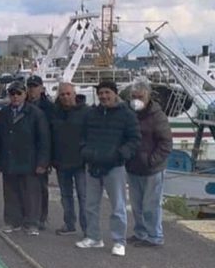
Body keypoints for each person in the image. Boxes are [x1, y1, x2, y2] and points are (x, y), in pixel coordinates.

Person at [77, 81, 141, 257]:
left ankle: (119, 241)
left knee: (118, 206)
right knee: (90, 204)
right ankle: (94, 237)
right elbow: (82, 136)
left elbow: (134, 139)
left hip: (115, 167)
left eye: (107, 92)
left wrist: (120, 154)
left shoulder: (127, 115)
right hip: (93, 164)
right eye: (101, 93)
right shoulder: (91, 114)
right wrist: (85, 151)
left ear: (115, 93)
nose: (104, 96)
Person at [0, 81, 50, 236]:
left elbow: (44, 140)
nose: (15, 97)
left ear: (25, 94)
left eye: (19, 93)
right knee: (10, 193)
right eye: (12, 94)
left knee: (31, 193)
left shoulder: (36, 114)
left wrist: (43, 162)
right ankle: (12, 221)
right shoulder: (2, 114)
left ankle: (32, 223)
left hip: (30, 160)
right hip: (8, 159)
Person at [126, 79, 171, 247]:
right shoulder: (130, 114)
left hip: (152, 169)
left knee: (151, 205)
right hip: (133, 167)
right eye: (134, 96)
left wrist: (151, 161)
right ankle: (140, 232)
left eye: (140, 96)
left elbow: (166, 143)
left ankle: (155, 236)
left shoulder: (157, 116)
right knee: (136, 205)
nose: (136, 100)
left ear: (148, 97)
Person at [50, 82, 89, 236]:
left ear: (74, 94)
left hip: (81, 161)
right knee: (65, 195)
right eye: (62, 94)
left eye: (68, 94)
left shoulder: (86, 112)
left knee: (83, 196)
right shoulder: (55, 112)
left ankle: (87, 228)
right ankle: (69, 224)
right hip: (61, 161)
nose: (65, 97)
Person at [26, 75, 54, 230]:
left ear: (42, 88)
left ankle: (42, 217)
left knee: (42, 187)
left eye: (35, 86)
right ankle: (29, 215)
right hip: (25, 151)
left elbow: (52, 133)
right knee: (27, 187)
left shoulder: (49, 107)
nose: (32, 89)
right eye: (30, 86)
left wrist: (47, 159)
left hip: (41, 151)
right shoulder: (23, 104)